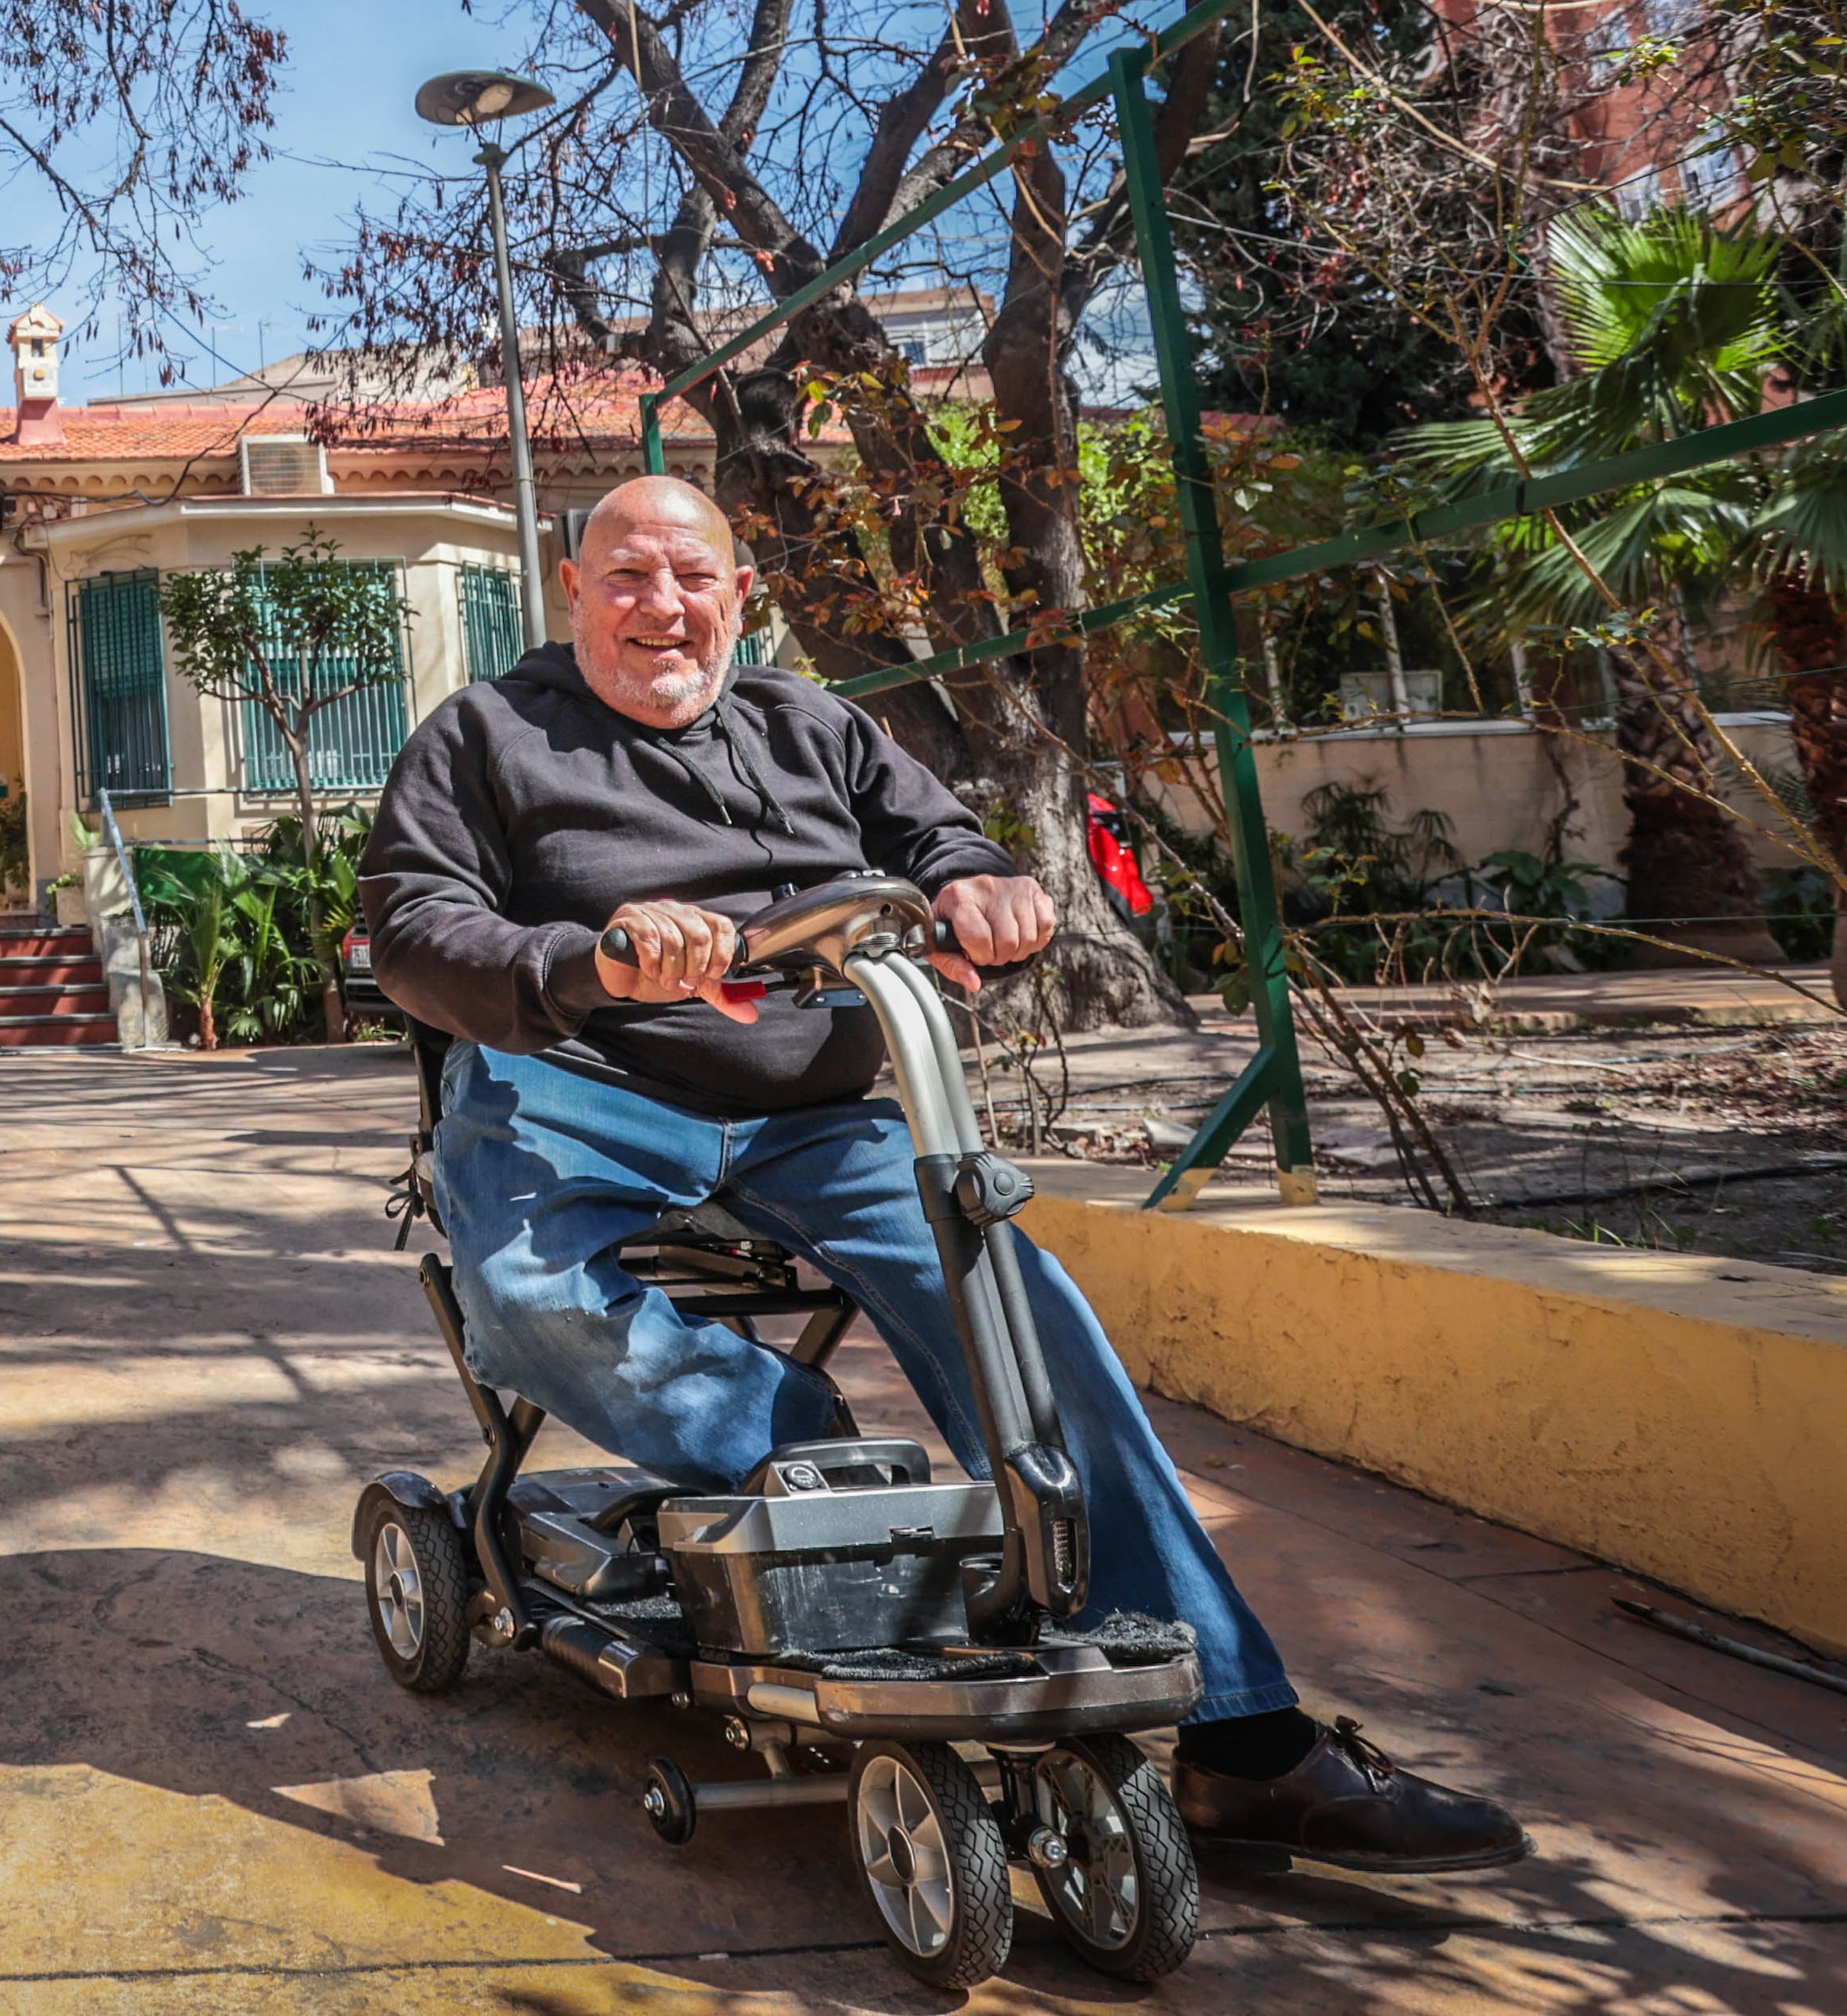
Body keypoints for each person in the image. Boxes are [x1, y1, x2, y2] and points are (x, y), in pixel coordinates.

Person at [359, 474, 1524, 1874]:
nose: (659, 606)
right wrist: (584, 957)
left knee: (1018, 1309)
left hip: (813, 1110)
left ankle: (1240, 1735)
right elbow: (415, 932)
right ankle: (810, 1461)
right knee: (526, 1296)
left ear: (740, 593)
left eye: (691, 576)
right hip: (580, 1089)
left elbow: (940, 837)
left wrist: (982, 880)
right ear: (571, 589)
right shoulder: (487, 733)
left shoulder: (809, 720)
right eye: (624, 576)